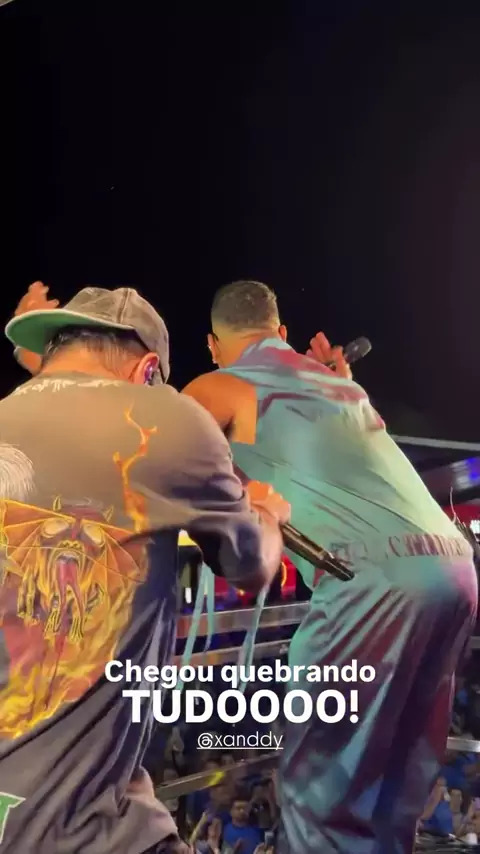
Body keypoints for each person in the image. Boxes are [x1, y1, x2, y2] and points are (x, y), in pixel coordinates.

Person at [180, 280, 478, 854]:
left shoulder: (220, 384)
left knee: (323, 794)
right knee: (394, 790)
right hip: (454, 568)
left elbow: (167, 456)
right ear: (281, 332)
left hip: (373, 580)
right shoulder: (343, 387)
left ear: (214, 345)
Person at [0, 284, 290, 854]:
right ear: (149, 368)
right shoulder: (164, 417)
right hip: (75, 826)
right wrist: (267, 514)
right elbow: (251, 566)